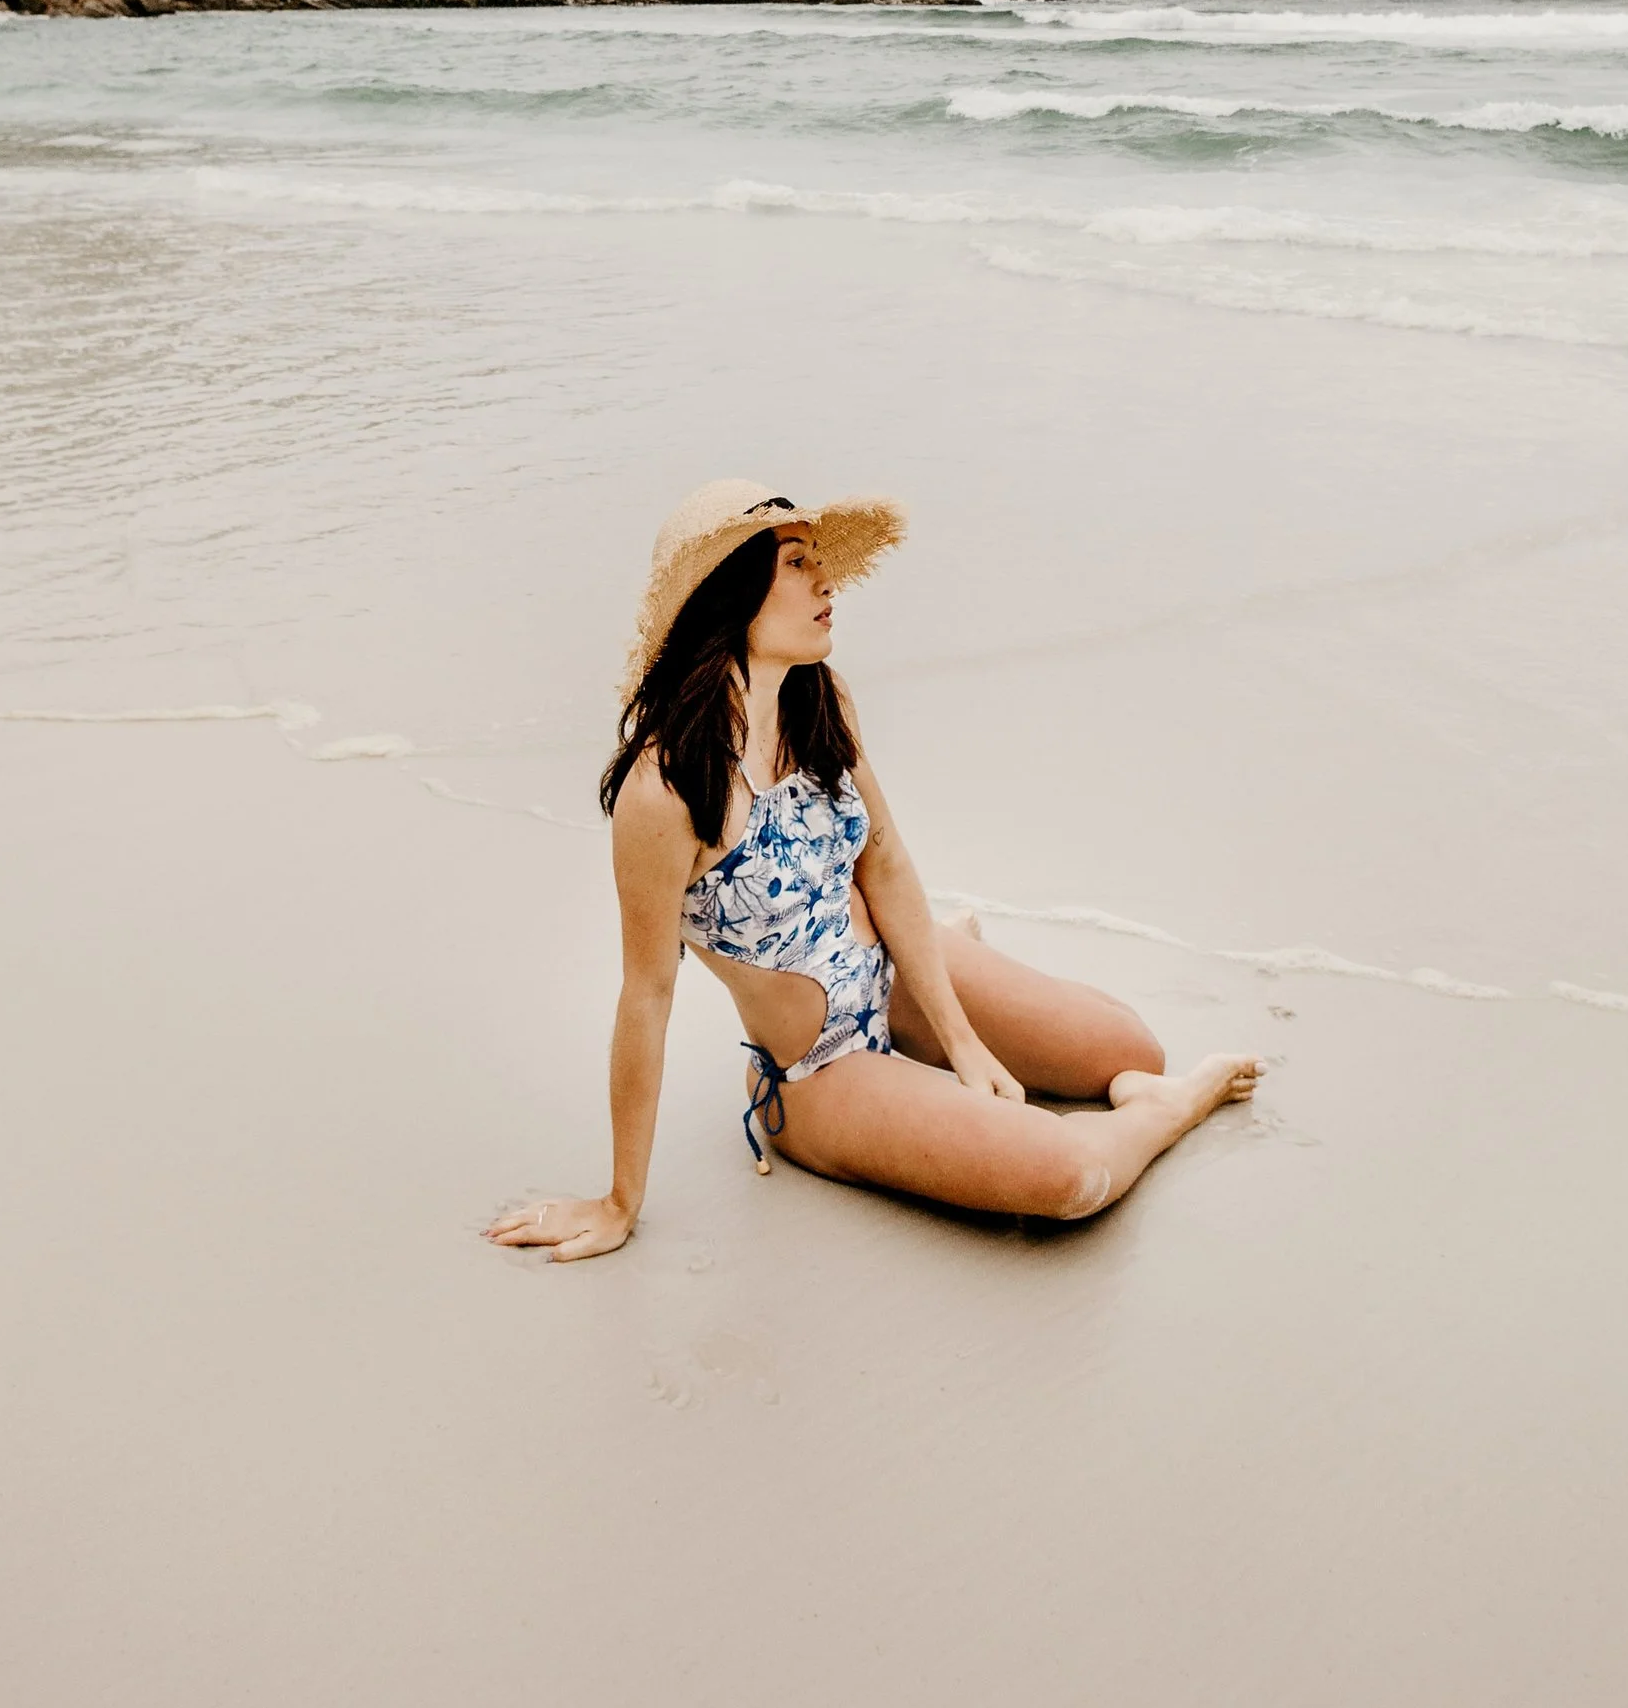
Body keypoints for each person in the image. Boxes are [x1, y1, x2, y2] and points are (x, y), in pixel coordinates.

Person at [490, 479, 1257, 1264]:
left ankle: (966, 1007)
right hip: (821, 1068)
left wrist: (962, 1042)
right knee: (1069, 1177)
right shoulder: (668, 792)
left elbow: (883, 861)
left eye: (819, 561)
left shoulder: (821, 701)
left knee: (1128, 1051)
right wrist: (621, 1200)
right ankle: (1173, 1110)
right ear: (729, 594)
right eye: (797, 563)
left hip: (888, 966)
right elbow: (647, 995)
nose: (826, 583)